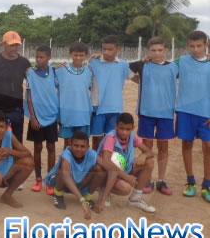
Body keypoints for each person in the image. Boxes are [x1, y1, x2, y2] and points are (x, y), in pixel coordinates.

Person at [129, 36, 178, 195]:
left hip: (166, 113)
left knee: (163, 147)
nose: (157, 53)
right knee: (147, 147)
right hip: (146, 112)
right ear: (148, 51)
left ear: (165, 50)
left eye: (160, 50)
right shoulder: (143, 66)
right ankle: (147, 178)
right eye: (153, 50)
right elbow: (127, 71)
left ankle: (161, 180)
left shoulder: (173, 67)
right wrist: (142, 62)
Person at [175, 30, 210, 202]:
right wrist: (147, 61)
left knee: (208, 148)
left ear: (206, 45)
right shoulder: (181, 61)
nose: (196, 49)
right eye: (192, 46)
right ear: (187, 46)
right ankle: (190, 182)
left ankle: (207, 184)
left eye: (199, 46)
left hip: (206, 113)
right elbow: (164, 69)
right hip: (185, 111)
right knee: (187, 144)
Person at [96, 113, 156, 213]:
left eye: (128, 129)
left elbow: (150, 152)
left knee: (149, 162)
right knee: (125, 189)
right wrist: (127, 177)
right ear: (116, 127)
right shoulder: (111, 138)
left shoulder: (132, 136)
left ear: (133, 128)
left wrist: (143, 155)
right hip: (108, 172)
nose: (124, 132)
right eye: (121, 128)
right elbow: (106, 162)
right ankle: (103, 188)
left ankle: (135, 198)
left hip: (123, 168)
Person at [44, 131, 107, 220]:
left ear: (88, 147)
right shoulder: (66, 154)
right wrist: (81, 201)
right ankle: (58, 194)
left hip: (81, 183)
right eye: (76, 145)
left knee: (100, 170)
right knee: (62, 172)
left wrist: (127, 177)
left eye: (82, 146)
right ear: (70, 144)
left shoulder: (92, 154)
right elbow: (66, 176)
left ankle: (87, 198)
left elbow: (108, 166)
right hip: (65, 184)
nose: (79, 149)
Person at [25, 45, 59, 195]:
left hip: (51, 116)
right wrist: (32, 117)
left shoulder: (54, 72)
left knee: (51, 148)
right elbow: (29, 97)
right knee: (37, 148)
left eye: (42, 57)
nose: (39, 60)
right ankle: (38, 179)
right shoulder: (30, 73)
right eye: (37, 57)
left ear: (49, 58)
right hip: (36, 118)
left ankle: (50, 181)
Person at [89, 35, 131, 150]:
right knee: (96, 140)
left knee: (111, 140)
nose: (106, 52)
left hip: (115, 108)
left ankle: (110, 167)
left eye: (110, 49)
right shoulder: (93, 62)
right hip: (97, 107)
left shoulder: (123, 65)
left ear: (118, 49)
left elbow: (135, 77)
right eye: (104, 49)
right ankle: (96, 166)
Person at [55, 42, 93, 148]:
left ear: (85, 56)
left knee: (83, 143)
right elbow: (50, 83)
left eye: (81, 55)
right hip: (66, 113)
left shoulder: (89, 71)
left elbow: (91, 89)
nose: (78, 57)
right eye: (75, 55)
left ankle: (82, 165)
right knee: (67, 144)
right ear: (70, 54)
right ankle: (66, 164)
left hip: (83, 113)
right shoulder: (61, 70)